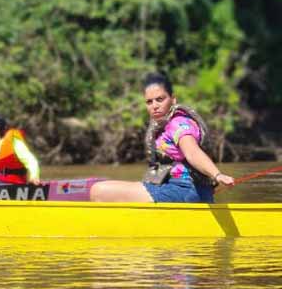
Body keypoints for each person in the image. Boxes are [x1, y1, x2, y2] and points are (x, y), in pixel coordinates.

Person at [89, 72, 235, 203]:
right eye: (149, 102)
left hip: (184, 189)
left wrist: (217, 175)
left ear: (173, 100)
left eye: (160, 99)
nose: (154, 106)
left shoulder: (179, 124)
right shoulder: (163, 125)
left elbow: (192, 152)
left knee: (99, 191)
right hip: (184, 189)